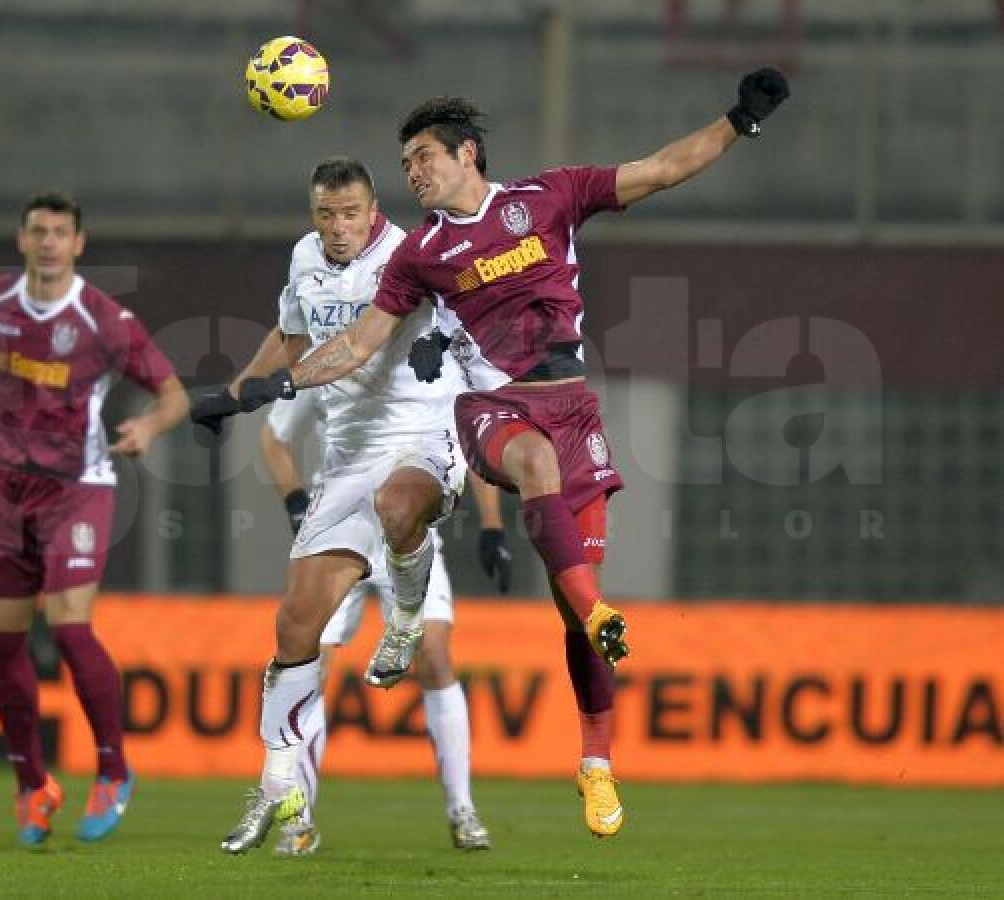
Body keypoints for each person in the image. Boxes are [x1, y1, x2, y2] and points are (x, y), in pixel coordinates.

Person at [227, 70, 790, 838]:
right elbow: (358, 344)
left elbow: (661, 169)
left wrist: (737, 121)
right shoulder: (419, 253)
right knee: (534, 467)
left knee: (572, 608)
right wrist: (282, 381)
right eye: (406, 164)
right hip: (491, 410)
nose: (413, 173)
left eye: (423, 157)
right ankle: (593, 616)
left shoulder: (550, 197)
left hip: (573, 409)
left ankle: (596, 762)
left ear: (467, 153)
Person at [190, 157, 497, 854]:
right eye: (325, 214)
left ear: (373, 210)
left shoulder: (409, 254)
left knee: (400, 507)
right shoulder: (305, 258)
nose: (337, 228)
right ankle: (278, 792)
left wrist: (451, 347)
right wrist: (234, 394)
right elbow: (293, 337)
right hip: (346, 458)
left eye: (349, 213)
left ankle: (408, 624)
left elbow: (364, 345)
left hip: (423, 437)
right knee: (295, 628)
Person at [0, 191, 189, 846]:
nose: (47, 243)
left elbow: (173, 393)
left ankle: (113, 769)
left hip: (77, 487)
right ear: (21, 239)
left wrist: (148, 427)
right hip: (8, 490)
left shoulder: (104, 320)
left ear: (78, 244)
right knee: (2, 643)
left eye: (59, 233)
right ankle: (32, 786)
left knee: (69, 628)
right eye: (37, 231)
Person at [259, 392, 509, 854]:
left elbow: (470, 440)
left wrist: (492, 526)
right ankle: (299, 821)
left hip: (407, 534)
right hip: (341, 532)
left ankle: (462, 809)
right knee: (312, 665)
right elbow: (274, 436)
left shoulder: (431, 364)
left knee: (435, 658)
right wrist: (295, 501)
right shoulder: (330, 361)